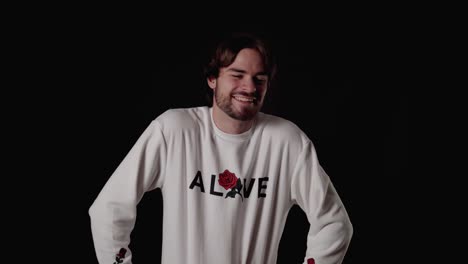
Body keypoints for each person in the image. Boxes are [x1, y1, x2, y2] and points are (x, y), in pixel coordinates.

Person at [89, 31, 353, 264]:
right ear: (212, 79)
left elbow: (335, 224)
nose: (249, 87)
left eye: (259, 78)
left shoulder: (287, 141)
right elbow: (108, 209)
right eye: (237, 75)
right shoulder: (173, 130)